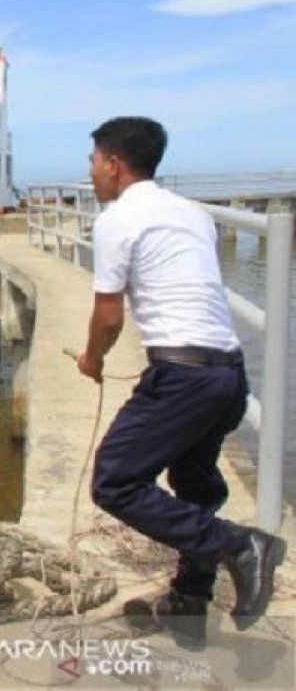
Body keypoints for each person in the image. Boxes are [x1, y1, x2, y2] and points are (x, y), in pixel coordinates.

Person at [78, 116, 286, 643]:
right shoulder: (192, 213)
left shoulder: (116, 220)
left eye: (93, 161)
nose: (91, 172)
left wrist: (92, 360)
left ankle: (239, 546)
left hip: (183, 377)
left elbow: (109, 317)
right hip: (227, 374)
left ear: (114, 164)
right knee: (194, 483)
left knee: (115, 479)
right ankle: (191, 599)